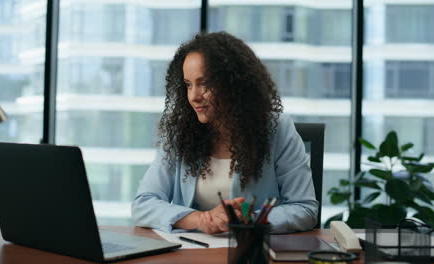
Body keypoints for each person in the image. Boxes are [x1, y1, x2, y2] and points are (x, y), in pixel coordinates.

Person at [131, 32, 318, 234]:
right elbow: (143, 204)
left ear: (232, 83)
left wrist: (245, 221)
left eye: (204, 83)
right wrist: (200, 220)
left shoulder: (277, 129)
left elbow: (304, 208)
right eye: (188, 85)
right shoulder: (179, 133)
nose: (193, 96)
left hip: (249, 252)